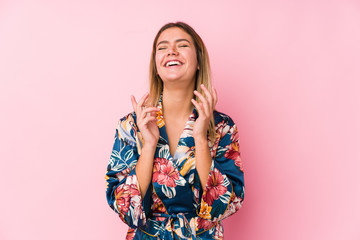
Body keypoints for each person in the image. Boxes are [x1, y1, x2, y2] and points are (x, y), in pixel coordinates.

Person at [105, 21, 245, 240]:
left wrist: (200, 137)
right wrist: (149, 146)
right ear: (156, 65)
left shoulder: (222, 127)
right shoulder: (131, 125)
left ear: (198, 61)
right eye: (162, 47)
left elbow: (224, 205)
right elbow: (125, 208)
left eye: (181, 45)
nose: (171, 51)